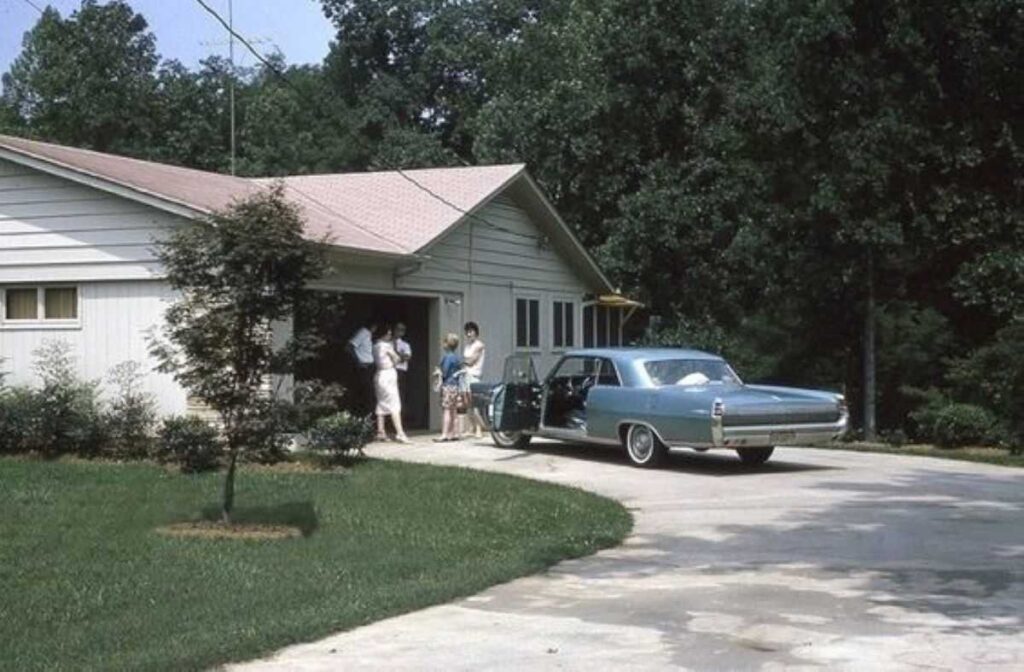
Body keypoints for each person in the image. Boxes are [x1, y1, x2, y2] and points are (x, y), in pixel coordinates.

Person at [372, 324, 409, 443]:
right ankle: (400, 432)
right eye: (388, 333)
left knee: (381, 402)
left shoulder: (375, 345)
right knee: (394, 403)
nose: (390, 335)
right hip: (388, 373)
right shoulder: (386, 345)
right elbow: (397, 359)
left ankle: (380, 431)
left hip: (378, 374)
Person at [434, 333, 462, 442]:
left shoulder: (447, 357)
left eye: (444, 342)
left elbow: (444, 373)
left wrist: (437, 372)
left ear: (447, 344)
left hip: (447, 385)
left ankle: (444, 434)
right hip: (455, 385)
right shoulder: (457, 358)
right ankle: (454, 433)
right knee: (454, 410)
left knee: (446, 410)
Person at [461, 321, 487, 439]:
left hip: (474, 376)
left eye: (471, 331)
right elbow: (466, 361)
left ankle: (479, 429)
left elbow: (471, 361)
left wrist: (461, 361)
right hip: (465, 375)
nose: (469, 334)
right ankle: (471, 427)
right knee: (467, 404)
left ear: (476, 332)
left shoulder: (479, 345)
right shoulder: (467, 346)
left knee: (475, 403)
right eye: (467, 332)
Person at [347, 318, 376, 416]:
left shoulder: (369, 335)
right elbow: (350, 346)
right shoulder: (364, 332)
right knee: (366, 392)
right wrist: (358, 361)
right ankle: (364, 416)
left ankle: (369, 415)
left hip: (370, 366)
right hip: (364, 366)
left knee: (370, 392)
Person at [393, 322, 412, 407]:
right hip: (389, 370)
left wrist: (396, 353)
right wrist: (401, 355)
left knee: (400, 394)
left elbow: (406, 358)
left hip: (400, 371)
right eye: (397, 329)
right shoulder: (387, 342)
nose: (399, 332)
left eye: (402, 330)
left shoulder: (405, 345)